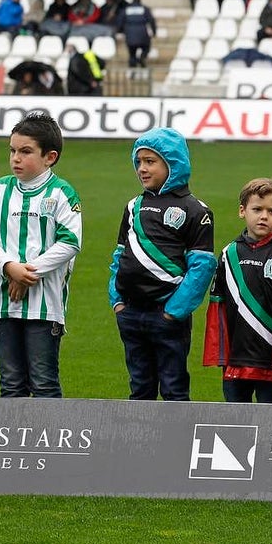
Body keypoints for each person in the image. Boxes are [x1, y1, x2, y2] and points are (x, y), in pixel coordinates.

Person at [0, 112, 82, 398]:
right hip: (2, 302)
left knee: (44, 383)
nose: (16, 158)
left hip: (44, 305)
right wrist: (8, 266)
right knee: (10, 385)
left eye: (25, 152)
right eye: (12, 150)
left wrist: (27, 272)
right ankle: (13, 443)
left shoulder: (62, 193)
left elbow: (70, 242)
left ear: (50, 157)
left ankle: (49, 442)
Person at [109, 128, 217, 401]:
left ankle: (174, 443)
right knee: (140, 387)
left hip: (166, 315)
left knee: (173, 388)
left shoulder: (196, 210)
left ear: (172, 163)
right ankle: (138, 443)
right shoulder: (133, 206)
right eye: (139, 162)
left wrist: (173, 312)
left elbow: (201, 268)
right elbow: (119, 255)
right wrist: (117, 300)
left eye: (150, 161)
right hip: (131, 312)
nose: (142, 169)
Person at [204, 178, 272, 403]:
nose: (263, 216)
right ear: (242, 211)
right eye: (257, 209)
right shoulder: (228, 254)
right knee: (235, 424)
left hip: (269, 359)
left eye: (271, 211)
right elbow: (217, 305)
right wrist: (219, 351)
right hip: (235, 358)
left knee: (270, 424)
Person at [118, 0, 157, 70]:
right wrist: (154, 31)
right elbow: (152, 21)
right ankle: (142, 57)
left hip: (129, 34)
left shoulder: (126, 9)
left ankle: (132, 69)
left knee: (132, 53)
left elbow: (120, 21)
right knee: (146, 47)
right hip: (142, 34)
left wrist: (120, 31)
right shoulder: (144, 9)